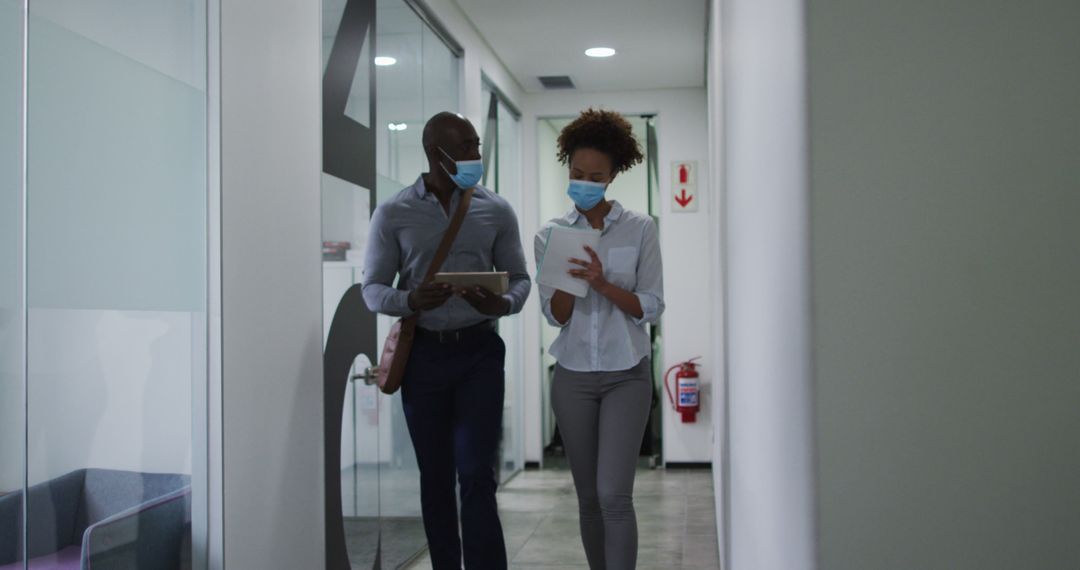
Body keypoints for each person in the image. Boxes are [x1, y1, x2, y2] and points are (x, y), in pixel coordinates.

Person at [362, 112, 531, 570]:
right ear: (436, 152)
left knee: (476, 473)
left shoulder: (495, 209)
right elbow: (372, 289)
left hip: (479, 354)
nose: (477, 155)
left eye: (477, 145)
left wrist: (504, 304)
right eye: (468, 146)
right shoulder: (394, 212)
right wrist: (411, 298)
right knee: (435, 478)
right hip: (424, 359)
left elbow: (519, 279)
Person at [534, 108, 664, 570]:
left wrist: (604, 283)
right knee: (588, 497)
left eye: (595, 175)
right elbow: (555, 317)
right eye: (576, 173)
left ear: (613, 176)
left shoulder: (640, 228)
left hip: (626, 374)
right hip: (572, 377)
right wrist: (572, 284)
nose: (584, 182)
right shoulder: (551, 233)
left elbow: (651, 306)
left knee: (614, 495)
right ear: (567, 166)